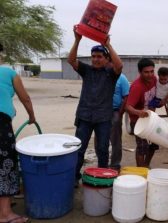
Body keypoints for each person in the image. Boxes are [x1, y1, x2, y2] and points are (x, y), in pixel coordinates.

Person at [68, 26, 123, 184]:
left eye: (99, 56)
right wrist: (77, 40)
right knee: (79, 149)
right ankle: (74, 178)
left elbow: (119, 66)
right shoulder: (87, 70)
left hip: (103, 118)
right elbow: (71, 60)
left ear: (106, 59)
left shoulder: (111, 73)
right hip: (84, 116)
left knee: (103, 150)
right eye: (93, 56)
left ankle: (102, 178)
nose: (96, 59)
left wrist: (108, 45)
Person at [0, 43, 35, 223]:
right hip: (1, 123)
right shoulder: (9, 73)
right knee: (6, 165)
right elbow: (26, 98)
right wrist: (32, 117)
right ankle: (5, 215)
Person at [125, 58, 158, 167]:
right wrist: (138, 112)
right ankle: (140, 172)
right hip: (138, 121)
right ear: (140, 72)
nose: (150, 75)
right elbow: (128, 107)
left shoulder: (154, 79)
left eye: (152, 71)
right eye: (146, 72)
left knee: (154, 144)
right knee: (142, 147)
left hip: (151, 119)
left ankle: (145, 166)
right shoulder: (136, 87)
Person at [109, 73, 130, 170]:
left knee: (115, 140)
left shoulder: (122, 78)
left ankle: (115, 165)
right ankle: (102, 164)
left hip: (115, 111)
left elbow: (126, 96)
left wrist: (120, 113)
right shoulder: (102, 74)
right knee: (99, 139)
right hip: (100, 112)